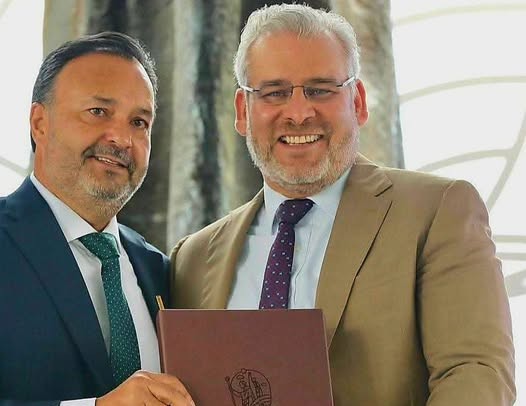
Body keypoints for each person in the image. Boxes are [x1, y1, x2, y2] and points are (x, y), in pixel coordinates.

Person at [170, 4, 515, 405]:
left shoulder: (437, 213)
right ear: (243, 112)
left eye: (320, 89)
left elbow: (476, 373)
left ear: (359, 101)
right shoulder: (192, 259)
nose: (299, 113)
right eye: (275, 92)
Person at [0, 32, 194, 406]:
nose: (121, 138)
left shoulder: (159, 269)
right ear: (40, 123)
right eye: (98, 112)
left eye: (139, 122)